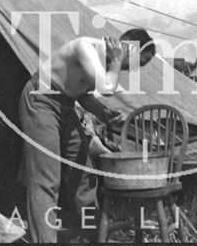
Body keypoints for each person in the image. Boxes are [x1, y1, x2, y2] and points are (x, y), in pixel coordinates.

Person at [19, 28, 156, 242]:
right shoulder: (86, 47)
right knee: (47, 178)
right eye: (138, 61)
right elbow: (106, 87)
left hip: (65, 106)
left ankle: (92, 236)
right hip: (41, 101)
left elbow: (82, 94)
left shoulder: (105, 62)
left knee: (83, 170)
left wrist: (103, 112)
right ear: (128, 46)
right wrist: (118, 61)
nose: (134, 68)